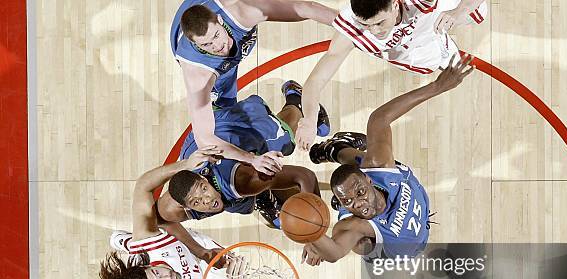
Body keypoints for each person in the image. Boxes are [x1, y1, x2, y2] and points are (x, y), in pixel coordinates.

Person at [100, 148, 278, 279]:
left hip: (181, 248)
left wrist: (184, 165)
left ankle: (129, 241)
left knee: (155, 222)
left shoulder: (147, 245)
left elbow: (143, 186)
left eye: (157, 273)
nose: (167, 278)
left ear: (147, 265)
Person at [301, 55, 474, 265]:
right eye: (349, 202)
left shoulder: (379, 165)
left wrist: (438, 86)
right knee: (361, 245)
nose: (358, 203)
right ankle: (340, 161)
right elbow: (336, 252)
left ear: (369, 182)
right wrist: (312, 236)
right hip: (398, 246)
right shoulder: (356, 227)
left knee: (367, 160)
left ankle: (334, 149)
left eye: (360, 193)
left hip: (387, 176)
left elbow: (380, 117)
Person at [171, 0, 336, 175]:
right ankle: (295, 101)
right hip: (208, 68)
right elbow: (206, 141)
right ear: (195, 44)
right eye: (206, 44)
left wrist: (355, 26)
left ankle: (296, 103)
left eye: (216, 36)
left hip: (217, 9)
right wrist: (251, 159)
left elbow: (304, 8)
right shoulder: (199, 74)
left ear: (220, 20)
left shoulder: (241, 13)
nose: (217, 46)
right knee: (226, 108)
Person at [295, 0, 487, 151]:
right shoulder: (353, 27)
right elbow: (316, 80)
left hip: (431, 20)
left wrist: (459, 11)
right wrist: (310, 120)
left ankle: (450, 25)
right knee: (434, 64)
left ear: (395, 5)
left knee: (479, 10)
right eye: (366, 24)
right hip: (413, 51)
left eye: (380, 22)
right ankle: (441, 48)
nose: (375, 30)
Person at [158, 81, 323, 228]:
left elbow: (304, 176)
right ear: (186, 206)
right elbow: (161, 217)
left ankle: (295, 100)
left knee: (283, 138)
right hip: (200, 145)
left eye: (203, 189)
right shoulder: (171, 208)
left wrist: (315, 221)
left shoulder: (244, 180)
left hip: (233, 131)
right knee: (244, 203)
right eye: (196, 202)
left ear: (204, 180)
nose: (206, 200)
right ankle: (261, 195)